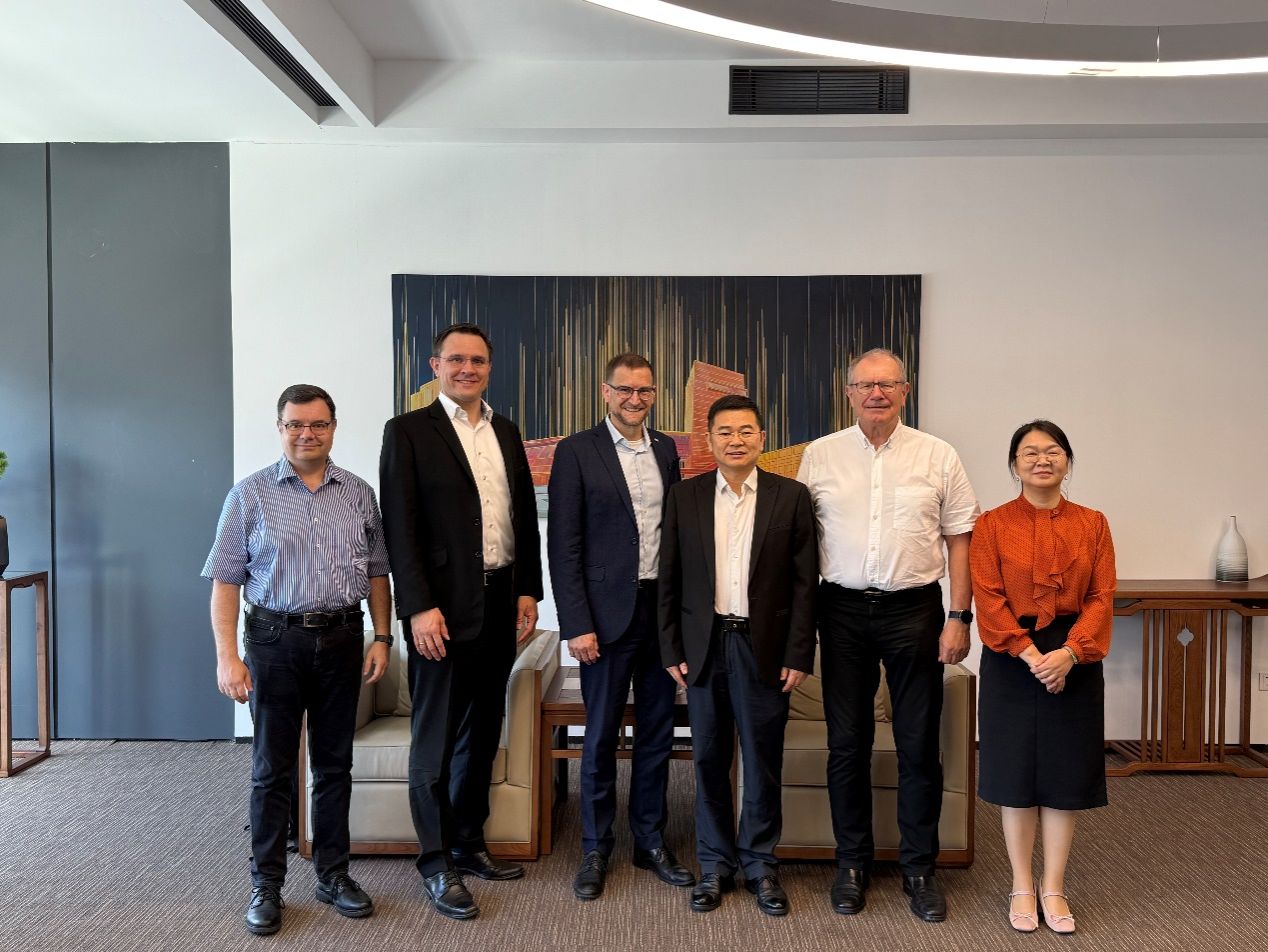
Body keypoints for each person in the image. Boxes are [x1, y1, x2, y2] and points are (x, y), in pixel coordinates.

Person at [796, 347, 979, 923]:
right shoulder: (820, 455)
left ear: (905, 391)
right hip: (840, 610)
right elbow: (800, 545)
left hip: (915, 611)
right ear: (848, 392)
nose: (876, 393)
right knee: (846, 744)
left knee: (918, 745)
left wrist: (960, 616)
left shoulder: (938, 455)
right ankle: (851, 864)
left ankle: (919, 869)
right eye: (865, 385)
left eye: (887, 384)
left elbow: (960, 539)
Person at [204, 384, 392, 937]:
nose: (307, 434)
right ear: (280, 427)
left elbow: (377, 571)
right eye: (296, 425)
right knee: (271, 769)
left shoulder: (359, 494)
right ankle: (266, 884)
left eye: (318, 424)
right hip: (273, 642)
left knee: (334, 766)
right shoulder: (249, 494)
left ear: (333, 427)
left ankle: (333, 875)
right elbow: (225, 581)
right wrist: (227, 657)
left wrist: (383, 636)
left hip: (342, 638)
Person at [379, 323, 543, 921]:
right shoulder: (408, 431)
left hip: (500, 604)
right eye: (456, 360)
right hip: (440, 613)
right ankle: (435, 862)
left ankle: (469, 843)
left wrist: (529, 589)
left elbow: (521, 515)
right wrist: (417, 606)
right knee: (435, 740)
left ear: (489, 368)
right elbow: (400, 527)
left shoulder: (506, 430)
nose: (467, 369)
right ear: (436, 366)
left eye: (477, 360)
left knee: (482, 731)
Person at [660, 394, 817, 917]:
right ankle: (714, 865)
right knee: (708, 758)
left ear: (762, 438)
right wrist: (671, 648)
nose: (736, 440)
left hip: (763, 647)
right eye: (725, 432)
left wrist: (799, 652)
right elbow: (669, 578)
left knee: (762, 758)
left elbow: (805, 584)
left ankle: (760, 865)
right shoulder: (684, 497)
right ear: (709, 440)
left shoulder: (790, 496)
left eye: (746, 431)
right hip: (704, 647)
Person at [547, 353, 692, 900]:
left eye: (645, 390)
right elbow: (563, 545)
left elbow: (671, 535)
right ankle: (595, 847)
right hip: (603, 621)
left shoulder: (666, 450)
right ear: (606, 392)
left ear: (654, 394)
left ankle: (650, 841)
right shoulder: (576, 451)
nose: (635, 399)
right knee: (601, 736)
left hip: (659, 614)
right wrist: (576, 623)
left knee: (657, 733)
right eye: (625, 390)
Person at [969, 420, 1115, 936]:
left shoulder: (1093, 523)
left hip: (1074, 655)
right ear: (1014, 465)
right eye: (1029, 453)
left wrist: (1070, 653)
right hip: (1013, 655)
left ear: (1068, 461)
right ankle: (1021, 885)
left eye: (1052, 451)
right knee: (1016, 775)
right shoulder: (991, 525)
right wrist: (1034, 656)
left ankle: (1053, 885)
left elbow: (1102, 596)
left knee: (1062, 775)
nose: (1042, 460)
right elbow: (988, 598)